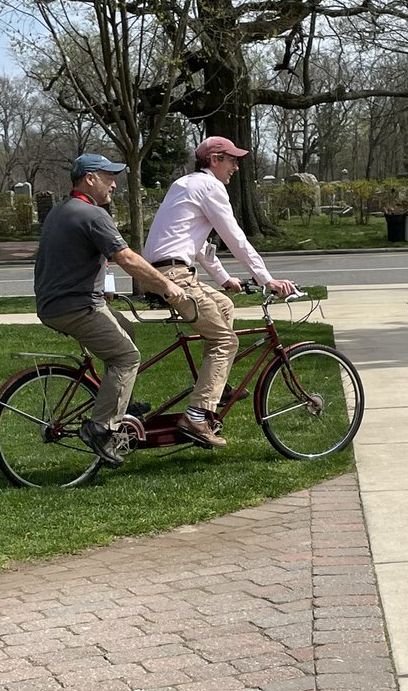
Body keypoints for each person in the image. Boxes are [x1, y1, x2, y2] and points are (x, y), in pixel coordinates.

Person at [34, 152, 186, 468]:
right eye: (109, 177)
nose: (114, 184)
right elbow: (127, 258)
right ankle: (101, 429)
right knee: (127, 357)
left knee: (126, 329)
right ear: (90, 179)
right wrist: (166, 286)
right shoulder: (92, 215)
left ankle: (123, 404)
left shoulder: (63, 209)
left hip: (59, 303)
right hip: (78, 307)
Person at [144, 136, 296, 449]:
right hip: (174, 276)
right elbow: (236, 238)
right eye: (232, 160)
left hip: (166, 271)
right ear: (215, 159)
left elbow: (196, 244)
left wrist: (225, 279)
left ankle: (218, 386)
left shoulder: (186, 185)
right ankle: (197, 415)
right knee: (226, 340)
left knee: (224, 306)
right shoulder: (211, 187)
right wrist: (266, 279)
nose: (236, 167)